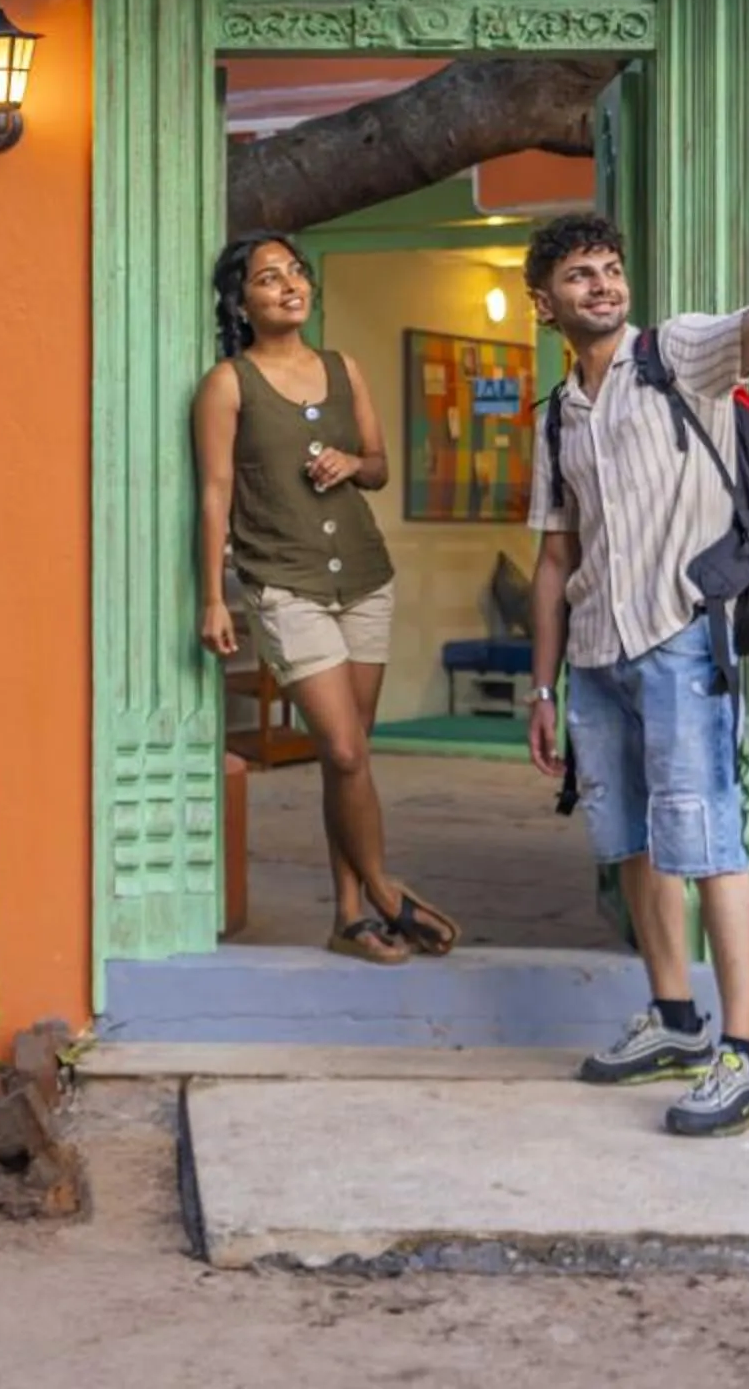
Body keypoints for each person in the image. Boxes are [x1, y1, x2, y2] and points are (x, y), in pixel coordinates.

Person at [523, 156, 749, 1136]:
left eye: (610, 268)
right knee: (629, 838)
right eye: (580, 274)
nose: (603, 284)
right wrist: (540, 690)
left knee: (708, 837)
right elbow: (553, 559)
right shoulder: (555, 420)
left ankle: (744, 1055)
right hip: (593, 655)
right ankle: (672, 1017)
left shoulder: (681, 353)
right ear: (545, 301)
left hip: (680, 643)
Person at [195, 233, 459, 965]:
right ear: (241, 301)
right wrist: (214, 598)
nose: (289, 286)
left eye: (296, 273)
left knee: (353, 761)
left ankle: (350, 918)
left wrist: (353, 462)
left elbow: (377, 467)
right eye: (268, 278)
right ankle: (382, 889)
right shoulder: (229, 384)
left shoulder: (344, 369)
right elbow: (215, 494)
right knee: (341, 748)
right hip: (286, 582)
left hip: (365, 580)